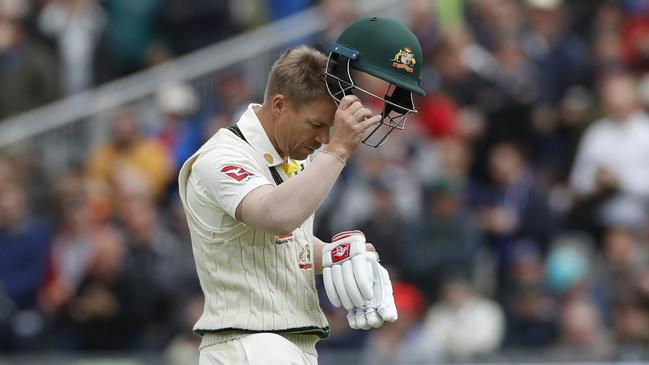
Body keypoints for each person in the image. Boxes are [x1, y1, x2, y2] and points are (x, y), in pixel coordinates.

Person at [178, 17, 425, 365]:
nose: (323, 138)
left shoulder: (293, 158)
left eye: (329, 128)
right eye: (316, 125)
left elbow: (278, 243)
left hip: (287, 345)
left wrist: (335, 255)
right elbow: (275, 216)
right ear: (279, 105)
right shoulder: (221, 157)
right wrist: (338, 151)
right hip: (249, 345)